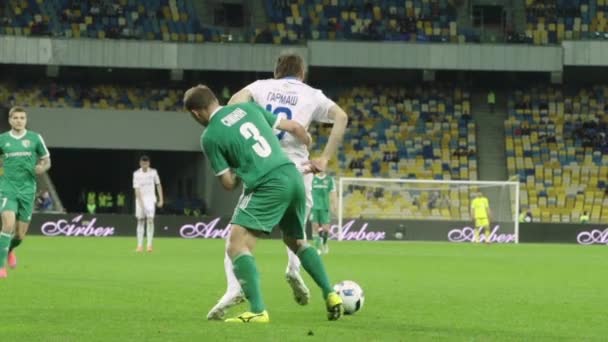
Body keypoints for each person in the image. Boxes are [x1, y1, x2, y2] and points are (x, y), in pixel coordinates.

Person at [183, 85, 343, 323]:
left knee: (236, 245)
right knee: (295, 241)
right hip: (293, 175)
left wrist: (239, 166)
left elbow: (228, 183)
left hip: (268, 184)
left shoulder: (210, 136)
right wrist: (307, 140)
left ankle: (257, 310)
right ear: (215, 99)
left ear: (196, 113)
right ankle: (331, 294)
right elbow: (292, 127)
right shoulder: (248, 108)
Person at [0, 106, 51, 278]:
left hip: (28, 191)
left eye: (22, 118)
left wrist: (41, 168)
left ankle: (10, 250)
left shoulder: (35, 138)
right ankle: (1, 267)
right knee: (7, 224)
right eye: (15, 118)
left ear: (25, 120)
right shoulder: (2, 139)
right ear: (10, 120)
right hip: (7, 189)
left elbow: (46, 160)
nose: (19, 120)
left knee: (20, 235)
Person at [132, 155, 164, 252]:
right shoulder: (136, 174)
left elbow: (158, 185)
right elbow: (136, 189)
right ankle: (139, 246)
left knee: (150, 220)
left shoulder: (154, 172)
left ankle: (149, 245)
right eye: (143, 163)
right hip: (140, 199)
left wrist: (161, 199)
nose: (144, 165)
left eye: (146, 163)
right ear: (140, 163)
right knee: (140, 221)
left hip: (150, 199)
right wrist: (141, 203)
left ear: (148, 163)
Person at [310, 172, 337, 254]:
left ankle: (324, 243)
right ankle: (317, 247)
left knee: (326, 229)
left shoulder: (329, 179)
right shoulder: (312, 178)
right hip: (314, 207)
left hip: (325, 207)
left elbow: (333, 192)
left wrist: (334, 204)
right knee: (315, 227)